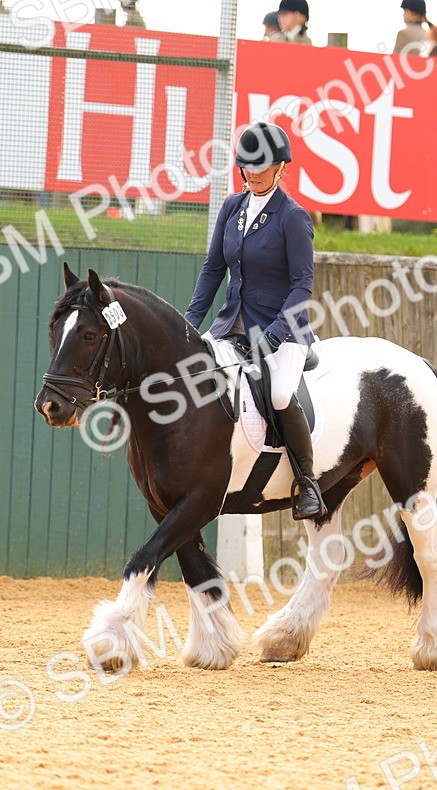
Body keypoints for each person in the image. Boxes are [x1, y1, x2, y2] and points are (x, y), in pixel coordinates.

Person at [184, 122, 327, 520]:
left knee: (280, 393)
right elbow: (213, 270)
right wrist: (190, 324)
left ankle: (308, 481)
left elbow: (302, 286)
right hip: (231, 323)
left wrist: (275, 335)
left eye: (261, 167)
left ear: (282, 167)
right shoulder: (232, 207)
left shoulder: (293, 218)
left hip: (285, 330)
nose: (253, 174)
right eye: (247, 167)